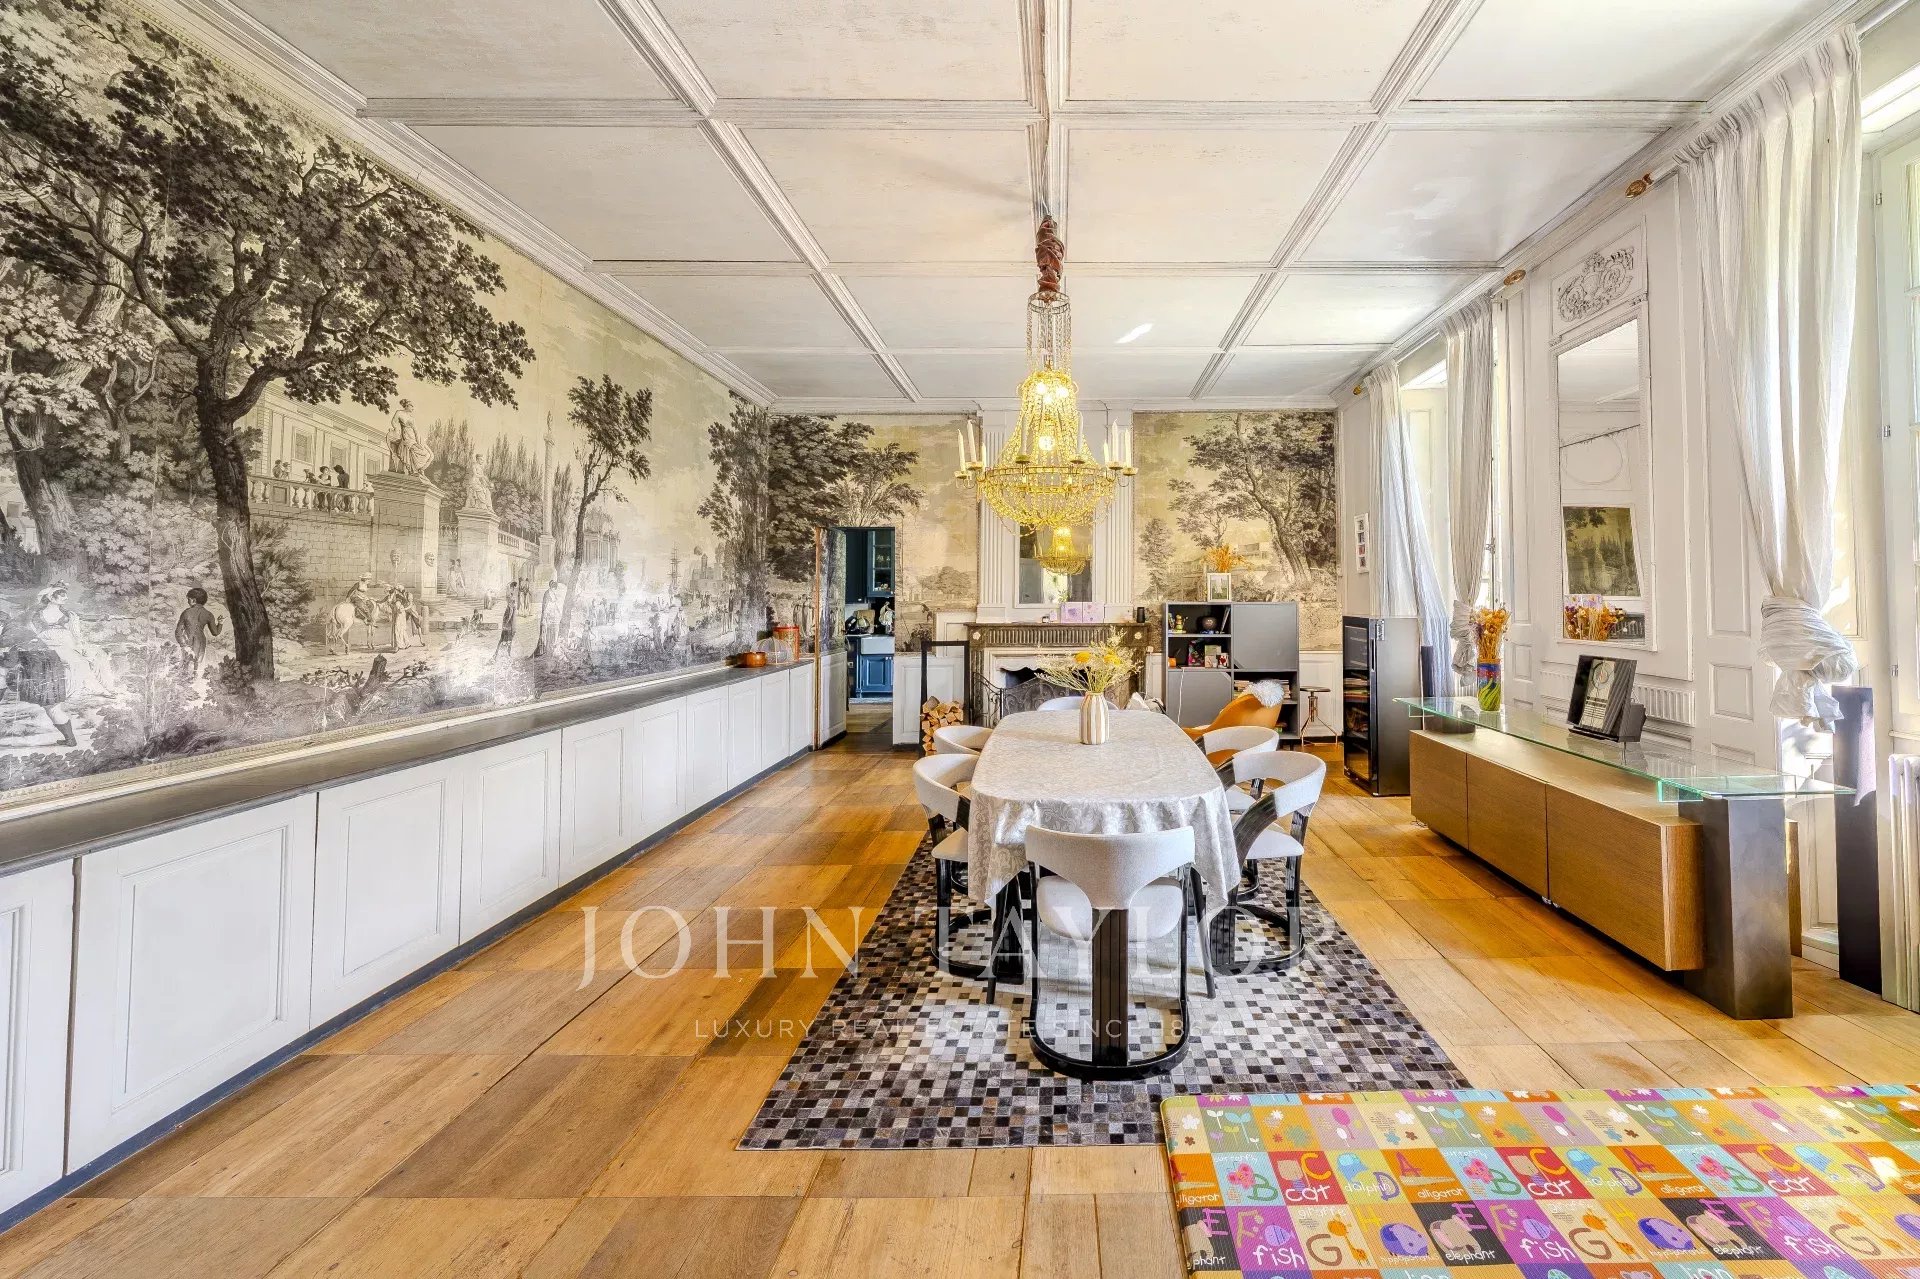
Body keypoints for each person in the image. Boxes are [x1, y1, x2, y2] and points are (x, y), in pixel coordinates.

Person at [173, 586, 223, 674]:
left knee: (185, 667)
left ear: (193, 600)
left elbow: (178, 632)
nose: (188, 601)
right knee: (198, 667)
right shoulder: (208, 614)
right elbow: (215, 632)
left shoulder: (186, 612)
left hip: (187, 642)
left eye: (188, 599)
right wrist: (220, 623)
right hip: (201, 643)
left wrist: (184, 645)